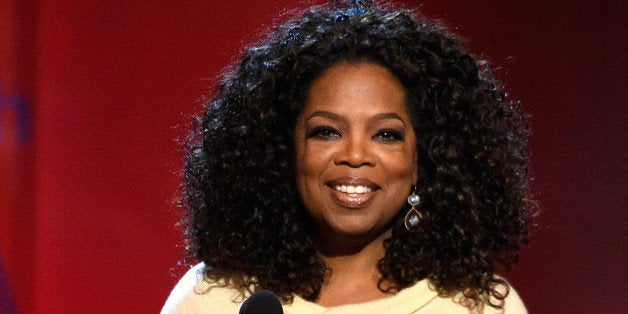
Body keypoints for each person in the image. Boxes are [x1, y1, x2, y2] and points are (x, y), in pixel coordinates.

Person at [162, 0, 534, 313]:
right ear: (282, 150)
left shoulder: (477, 306)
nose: (355, 155)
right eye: (327, 132)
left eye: (386, 135)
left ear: (427, 159)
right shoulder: (214, 298)